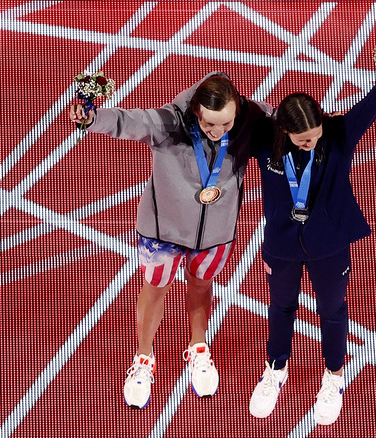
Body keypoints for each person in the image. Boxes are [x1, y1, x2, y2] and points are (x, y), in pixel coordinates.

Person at [70, 72, 269, 409]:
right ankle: (143, 358)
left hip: (216, 233)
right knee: (155, 288)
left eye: (226, 124)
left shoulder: (251, 120)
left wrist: (327, 124)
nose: (219, 132)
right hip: (163, 234)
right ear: (196, 112)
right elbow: (129, 121)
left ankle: (198, 347)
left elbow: (293, 123)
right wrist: (92, 118)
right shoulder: (170, 123)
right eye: (209, 125)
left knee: (202, 286)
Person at [248, 49, 376, 425]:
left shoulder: (339, 135)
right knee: (280, 307)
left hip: (329, 245)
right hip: (280, 246)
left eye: (315, 135)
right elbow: (230, 119)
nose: (310, 142)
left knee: (332, 311)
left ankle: (333, 376)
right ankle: (276, 369)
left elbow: (371, 105)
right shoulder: (265, 142)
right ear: (284, 131)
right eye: (302, 139)